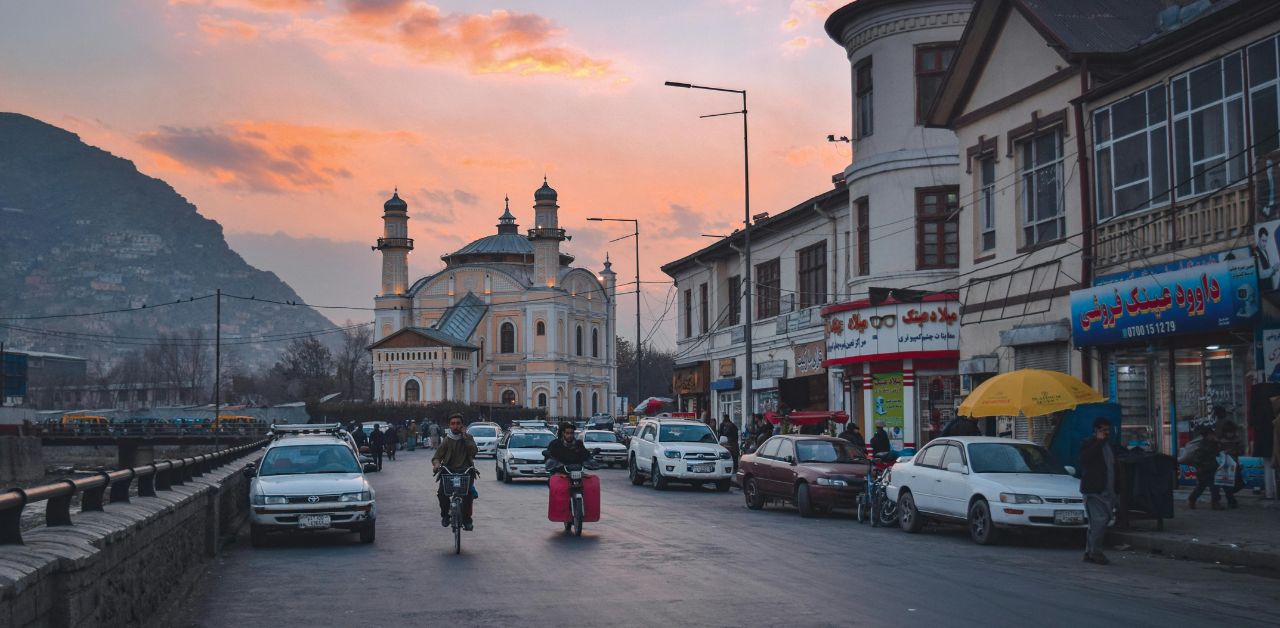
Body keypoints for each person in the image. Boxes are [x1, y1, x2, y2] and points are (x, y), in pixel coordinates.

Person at [1079, 417, 1123, 565]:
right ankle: (1095, 553)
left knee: (1098, 523)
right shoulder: (1089, 443)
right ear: (1096, 430)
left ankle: (1089, 552)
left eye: (1108, 430)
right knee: (1100, 521)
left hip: (1107, 491)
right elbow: (1085, 459)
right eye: (1103, 430)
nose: (1106, 433)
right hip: (1094, 491)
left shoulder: (1109, 445)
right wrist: (1098, 441)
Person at [433, 414, 478, 530]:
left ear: (462, 425)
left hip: (465, 471)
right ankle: (445, 516)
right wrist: (437, 465)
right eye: (453, 424)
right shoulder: (447, 440)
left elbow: (473, 451)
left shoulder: (468, 438)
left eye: (458, 423)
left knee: (468, 496)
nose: (455, 426)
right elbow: (437, 457)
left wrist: (464, 436)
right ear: (450, 426)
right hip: (448, 471)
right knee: (442, 494)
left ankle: (467, 519)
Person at [1187, 426, 1223, 510]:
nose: (1213, 436)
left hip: (1211, 468)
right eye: (1211, 435)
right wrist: (1201, 467)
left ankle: (1215, 503)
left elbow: (1219, 452)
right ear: (1207, 435)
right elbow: (1198, 459)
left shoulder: (1213, 443)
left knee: (1214, 486)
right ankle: (1192, 500)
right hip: (1204, 470)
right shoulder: (1203, 445)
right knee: (1202, 487)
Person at [1218, 421, 1243, 508]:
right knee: (1227, 484)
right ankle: (1231, 500)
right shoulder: (1221, 441)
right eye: (1228, 432)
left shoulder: (1237, 440)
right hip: (1225, 466)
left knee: (1239, 483)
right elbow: (1218, 452)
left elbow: (1241, 451)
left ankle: (1230, 497)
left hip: (1235, 464)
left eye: (1231, 432)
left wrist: (1233, 451)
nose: (1230, 434)